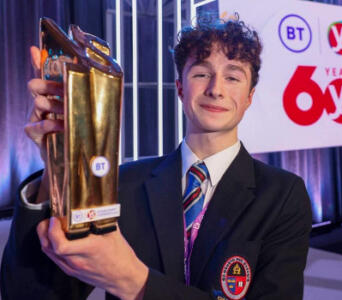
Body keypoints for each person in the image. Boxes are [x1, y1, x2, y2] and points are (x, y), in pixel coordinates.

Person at [1, 18, 312, 300]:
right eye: (202, 73)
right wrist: (58, 166)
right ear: (180, 88)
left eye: (233, 77)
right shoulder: (124, 183)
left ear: (249, 97)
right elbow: (29, 293)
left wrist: (135, 282)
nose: (216, 89)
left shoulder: (282, 195)